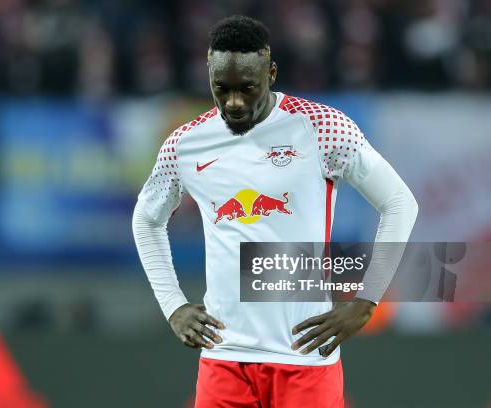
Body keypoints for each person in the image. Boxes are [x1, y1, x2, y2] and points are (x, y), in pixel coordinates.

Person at [132, 15, 418, 408]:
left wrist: (365, 303)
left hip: (304, 358)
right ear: (209, 75)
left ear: (271, 72)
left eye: (247, 88)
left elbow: (400, 203)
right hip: (224, 358)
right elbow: (147, 218)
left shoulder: (322, 128)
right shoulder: (186, 143)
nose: (233, 102)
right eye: (222, 89)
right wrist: (173, 306)